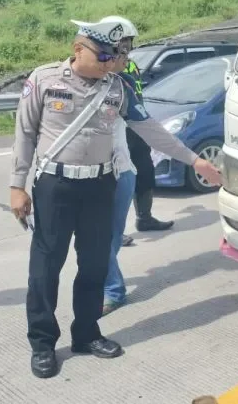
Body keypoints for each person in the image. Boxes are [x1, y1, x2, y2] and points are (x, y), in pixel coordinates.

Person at [9, 17, 222, 379]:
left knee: (94, 264)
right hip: (55, 187)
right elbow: (25, 132)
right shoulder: (44, 80)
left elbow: (151, 129)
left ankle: (87, 333)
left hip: (99, 186)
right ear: (79, 49)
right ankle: (43, 342)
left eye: (117, 56)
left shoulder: (118, 88)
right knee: (45, 268)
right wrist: (17, 185)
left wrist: (195, 159)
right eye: (105, 55)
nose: (111, 63)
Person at [102, 16, 176, 236]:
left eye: (129, 41)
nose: (126, 46)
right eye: (122, 41)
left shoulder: (131, 65)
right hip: (113, 131)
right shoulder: (104, 64)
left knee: (144, 171)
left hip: (136, 128)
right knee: (114, 180)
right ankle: (112, 230)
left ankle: (145, 217)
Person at [102, 44, 138, 315]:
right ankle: (112, 287)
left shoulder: (123, 85)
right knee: (96, 240)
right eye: (122, 53)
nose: (127, 58)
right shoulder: (72, 85)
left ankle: (113, 290)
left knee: (109, 238)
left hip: (122, 172)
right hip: (88, 176)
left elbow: (145, 123)